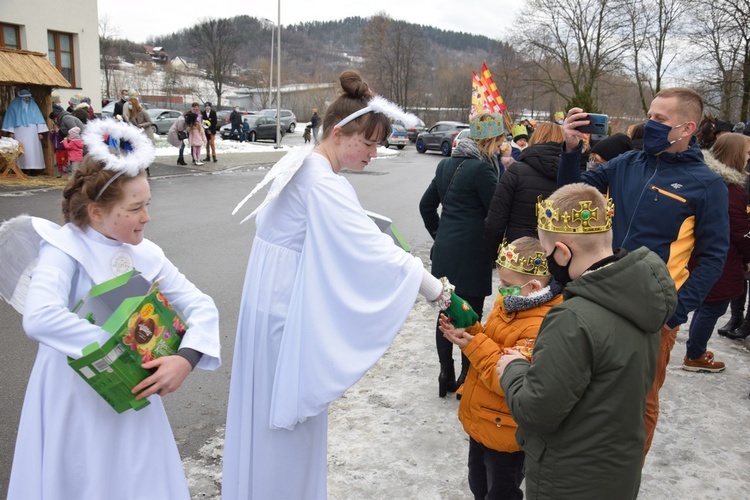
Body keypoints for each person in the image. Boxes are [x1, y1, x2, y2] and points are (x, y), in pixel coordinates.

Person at [222, 69, 473, 500]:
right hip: (284, 316)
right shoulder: (322, 180)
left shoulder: (303, 162)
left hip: (269, 304)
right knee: (288, 430)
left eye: (379, 143)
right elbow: (373, 250)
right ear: (339, 132)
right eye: (369, 142)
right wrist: (440, 291)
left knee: (264, 416)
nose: (375, 153)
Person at [2, 119, 221, 499]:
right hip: (75, 399)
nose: (146, 217)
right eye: (135, 208)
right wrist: (122, 348)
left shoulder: (146, 254)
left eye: (147, 204)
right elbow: (40, 317)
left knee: (136, 478)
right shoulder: (62, 249)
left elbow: (199, 304)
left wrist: (185, 359)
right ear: (96, 212)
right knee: (84, 478)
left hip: (131, 395)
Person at [557, 88, 729, 455]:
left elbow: (713, 256)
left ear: (687, 128)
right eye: (649, 115)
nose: (649, 124)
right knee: (589, 385)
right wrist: (571, 150)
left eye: (660, 119)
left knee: (640, 402)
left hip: (653, 315)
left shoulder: (708, 183)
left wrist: (675, 313)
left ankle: (623, 474)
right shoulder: (628, 163)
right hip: (601, 298)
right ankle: (588, 458)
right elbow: (571, 193)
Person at [497, 183, 677, 499]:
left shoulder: (573, 319)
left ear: (563, 253)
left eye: (549, 253)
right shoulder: (641, 296)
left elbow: (536, 410)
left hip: (569, 477)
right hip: (618, 470)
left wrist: (511, 369)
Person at [440, 237, 562, 500]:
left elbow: (508, 379)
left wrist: (474, 345)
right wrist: (469, 331)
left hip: (508, 432)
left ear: (533, 286)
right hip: (483, 420)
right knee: (479, 485)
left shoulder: (542, 325)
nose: (501, 290)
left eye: (507, 285)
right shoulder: (511, 303)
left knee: (501, 493)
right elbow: (490, 342)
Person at [420, 112, 504, 398]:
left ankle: (446, 373)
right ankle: (467, 378)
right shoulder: (482, 169)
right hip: (472, 253)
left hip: (445, 252)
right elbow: (496, 213)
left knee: (446, 312)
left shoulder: (446, 165)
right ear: (491, 140)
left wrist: (439, 234)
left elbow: (426, 205)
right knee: (470, 316)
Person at [690, 133, 750, 347]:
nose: (748, 156)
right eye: (746, 152)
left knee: (704, 303)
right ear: (736, 155)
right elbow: (739, 227)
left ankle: (694, 350)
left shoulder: (704, 177)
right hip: (722, 256)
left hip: (702, 252)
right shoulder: (731, 189)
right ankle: (695, 354)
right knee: (713, 306)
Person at [484, 121, 565, 257]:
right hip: (556, 254)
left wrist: (493, 253)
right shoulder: (571, 175)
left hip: (518, 253)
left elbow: (496, 220)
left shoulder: (515, 171)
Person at [1, 89, 49, 175]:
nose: (27, 100)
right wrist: (11, 132)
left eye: (28, 98)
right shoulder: (13, 106)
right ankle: (22, 169)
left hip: (33, 132)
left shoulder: (34, 106)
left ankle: (33, 169)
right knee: (22, 150)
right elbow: (10, 120)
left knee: (33, 150)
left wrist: (40, 132)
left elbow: (39, 120)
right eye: (25, 98)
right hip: (19, 131)